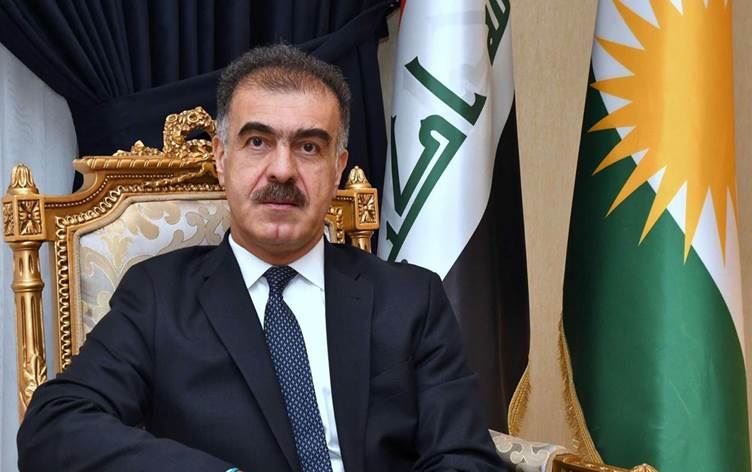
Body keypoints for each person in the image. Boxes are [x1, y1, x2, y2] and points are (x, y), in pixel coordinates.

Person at [17, 44, 505, 472]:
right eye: (257, 142)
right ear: (221, 157)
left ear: (338, 168)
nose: (282, 170)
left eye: (309, 147)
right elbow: (56, 425)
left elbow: (464, 457)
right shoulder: (158, 297)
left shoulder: (411, 297)